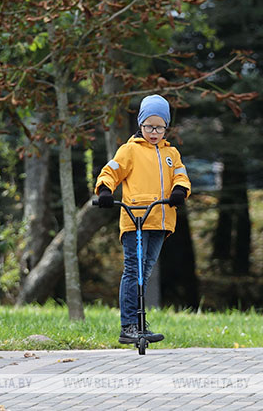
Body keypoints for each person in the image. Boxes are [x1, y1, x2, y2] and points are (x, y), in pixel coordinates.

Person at [94, 94, 191, 344]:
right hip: (135, 218)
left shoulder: (172, 153)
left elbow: (181, 177)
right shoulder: (130, 150)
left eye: (160, 127)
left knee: (145, 272)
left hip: (160, 219)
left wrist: (179, 191)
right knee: (133, 270)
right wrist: (105, 190)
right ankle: (129, 325)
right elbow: (111, 171)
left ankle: (139, 323)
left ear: (166, 127)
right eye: (149, 126)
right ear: (141, 125)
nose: (154, 132)